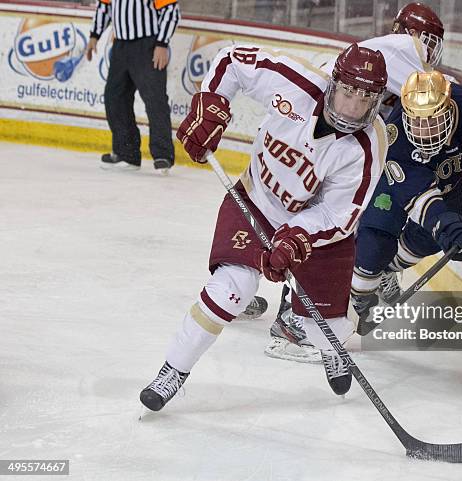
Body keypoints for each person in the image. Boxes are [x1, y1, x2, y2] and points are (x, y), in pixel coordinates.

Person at [139, 43, 388, 410]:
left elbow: (339, 216)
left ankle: (330, 346)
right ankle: (173, 370)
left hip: (313, 232)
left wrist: (295, 237)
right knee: (230, 289)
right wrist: (211, 104)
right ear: (334, 84)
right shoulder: (295, 82)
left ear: (377, 101)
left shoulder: (368, 147)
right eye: (348, 92)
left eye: (364, 98)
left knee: (324, 323)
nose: (352, 107)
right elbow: (232, 61)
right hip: (254, 201)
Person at [259, 2, 449, 363]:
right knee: (319, 228)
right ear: (408, 34)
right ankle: (291, 320)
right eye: (426, 40)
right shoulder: (397, 50)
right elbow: (441, 92)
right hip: (310, 141)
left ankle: (263, 289)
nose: (429, 50)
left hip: (327, 145)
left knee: (338, 221)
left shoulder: (385, 58)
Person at [352, 70, 462, 336]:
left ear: (449, 110)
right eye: (416, 122)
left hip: (448, 181)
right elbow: (420, 200)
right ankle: (355, 302)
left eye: (432, 121)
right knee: (375, 241)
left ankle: (386, 270)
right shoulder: (395, 138)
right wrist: (450, 229)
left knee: (429, 240)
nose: (422, 131)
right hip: (400, 183)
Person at [86, 0, 181, 173]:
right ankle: (126, 153)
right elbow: (104, 7)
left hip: (148, 46)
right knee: (115, 98)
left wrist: (161, 44)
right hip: (120, 46)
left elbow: (170, 11)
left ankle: (163, 155)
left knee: (155, 99)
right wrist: (94, 35)